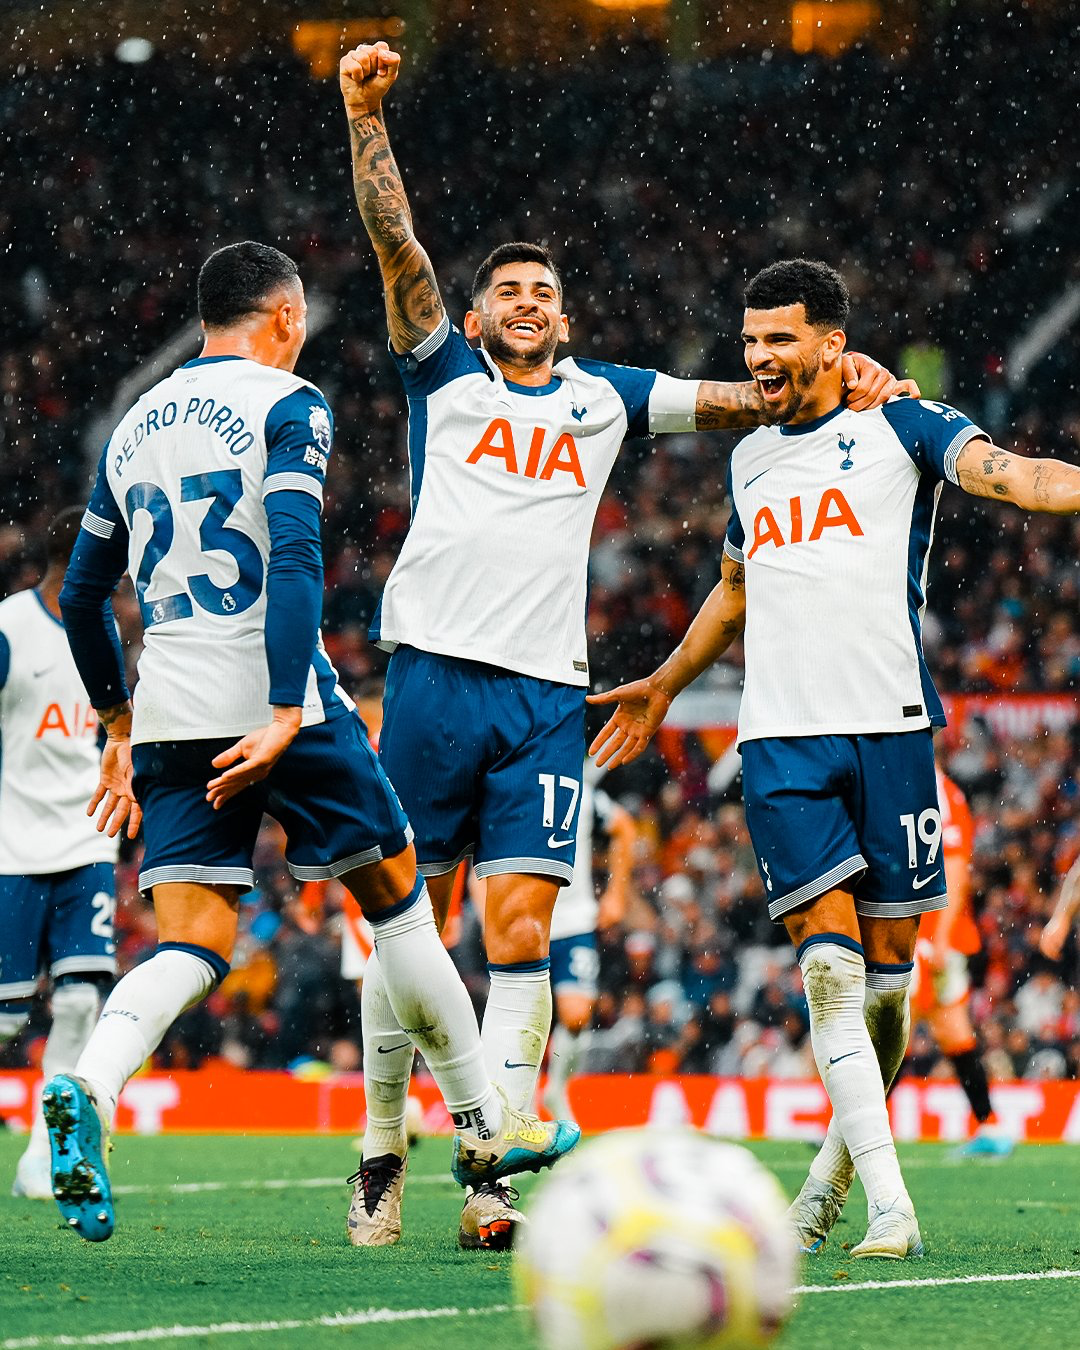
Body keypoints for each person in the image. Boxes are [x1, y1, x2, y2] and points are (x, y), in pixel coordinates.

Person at [338, 39, 908, 1250]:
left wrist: (849, 373)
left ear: (567, 313)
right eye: (510, 292)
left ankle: (491, 1170)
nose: (528, 303)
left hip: (549, 693)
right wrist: (364, 117)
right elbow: (397, 245)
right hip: (433, 670)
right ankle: (383, 1139)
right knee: (408, 918)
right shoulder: (443, 375)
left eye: (545, 291)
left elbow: (747, 400)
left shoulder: (606, 396)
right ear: (479, 315)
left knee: (521, 934)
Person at [46, 241, 578, 1244]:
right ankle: (484, 1128)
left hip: (169, 707)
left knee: (192, 942)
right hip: (278, 696)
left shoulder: (131, 430)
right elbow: (292, 555)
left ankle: (89, 1083)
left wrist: (118, 721)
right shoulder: (290, 405)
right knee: (401, 905)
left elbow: (80, 601)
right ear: (287, 319)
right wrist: (289, 705)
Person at [589, 257, 1080, 1259]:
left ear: (830, 342)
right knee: (828, 973)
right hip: (780, 740)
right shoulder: (750, 461)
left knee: (890, 993)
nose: (761, 358)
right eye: (751, 340)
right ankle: (894, 1208)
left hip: (894, 731)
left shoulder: (901, 424)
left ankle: (825, 1180)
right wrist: (666, 683)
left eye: (780, 338)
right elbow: (733, 591)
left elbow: (1016, 478)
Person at [0, 508, 119, 1200]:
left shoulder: (106, 631)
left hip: (85, 842)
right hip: (13, 848)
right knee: (8, 1020)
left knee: (80, 1005)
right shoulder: (10, 628)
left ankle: (44, 1158)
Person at [911, 760, 1012, 1157]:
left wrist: (940, 937)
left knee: (892, 1027)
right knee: (953, 1033)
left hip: (933, 938)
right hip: (925, 934)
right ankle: (990, 1125)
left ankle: (851, 1132)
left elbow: (955, 868)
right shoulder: (918, 785)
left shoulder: (936, 790)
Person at [543, 759, 636, 1122]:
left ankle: (556, 1090)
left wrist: (616, 894)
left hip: (573, 918)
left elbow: (624, 829)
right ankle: (510, 1106)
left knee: (577, 1015)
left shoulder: (578, 789)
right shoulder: (511, 783)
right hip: (525, 920)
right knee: (527, 1013)